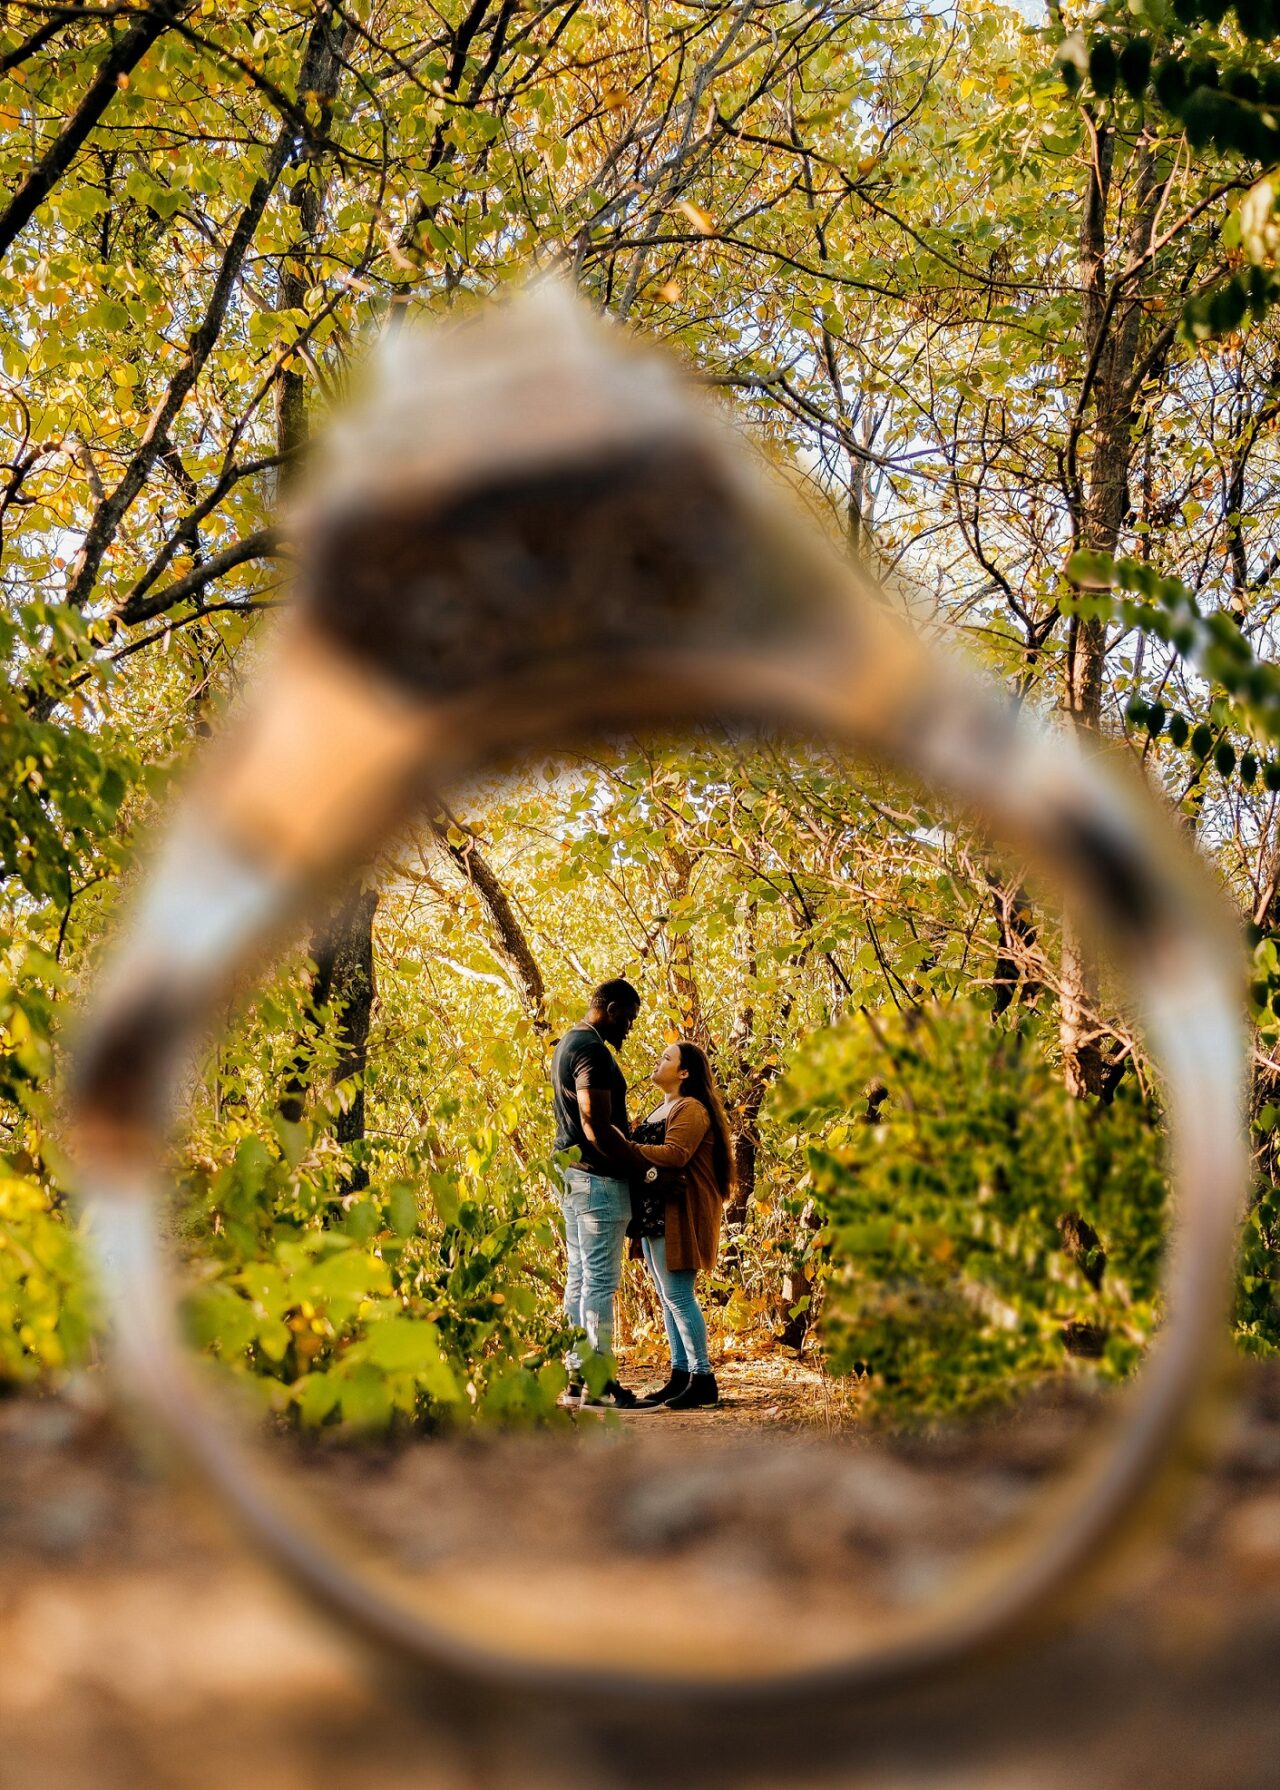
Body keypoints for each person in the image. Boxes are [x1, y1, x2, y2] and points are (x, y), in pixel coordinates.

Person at [619, 1041, 734, 1411]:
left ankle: (704, 1378)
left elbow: (675, 1154)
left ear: (685, 1072)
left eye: (667, 1058)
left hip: (681, 1210)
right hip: (655, 1211)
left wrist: (624, 1149)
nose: (659, 1060)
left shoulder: (692, 1108)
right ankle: (681, 1374)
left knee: (680, 1296)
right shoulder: (660, 1108)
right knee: (667, 1298)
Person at [550, 977, 643, 1410]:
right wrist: (640, 1167)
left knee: (580, 1278)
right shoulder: (589, 1049)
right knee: (600, 1283)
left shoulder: (568, 1042)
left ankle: (576, 1377)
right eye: (627, 1017)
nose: (628, 1028)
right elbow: (595, 1125)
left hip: (573, 1176)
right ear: (607, 1007)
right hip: (597, 1180)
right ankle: (600, 1382)